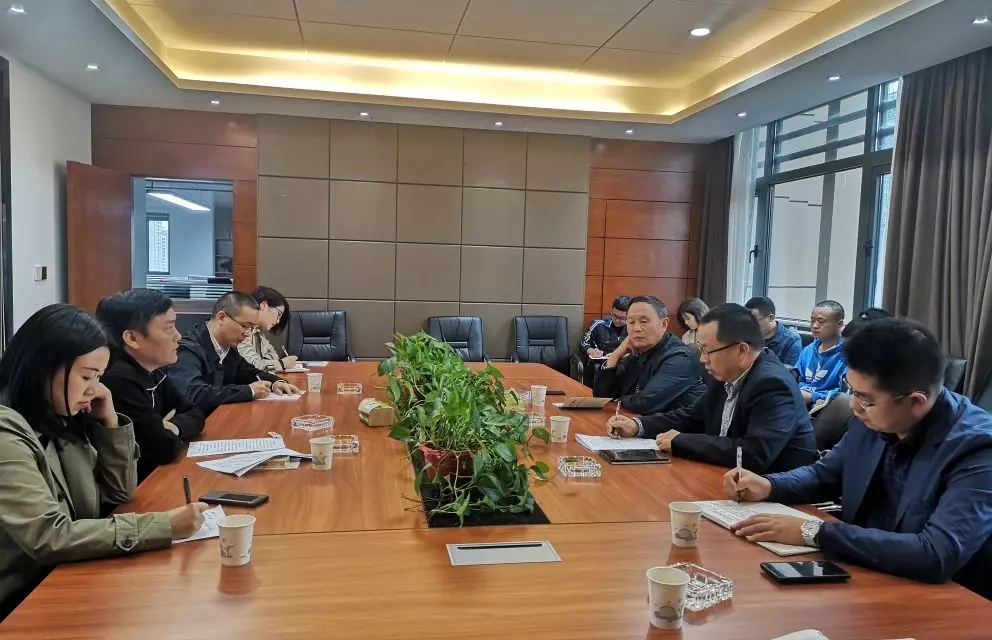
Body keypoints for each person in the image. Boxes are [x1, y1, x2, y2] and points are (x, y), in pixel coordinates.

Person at [725, 318, 992, 599]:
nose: (854, 405)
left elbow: (936, 553)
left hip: (939, 599)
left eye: (865, 399)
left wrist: (815, 532)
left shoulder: (977, 447)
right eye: (851, 391)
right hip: (862, 574)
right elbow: (825, 474)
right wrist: (769, 485)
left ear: (916, 402)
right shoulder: (876, 417)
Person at [0, 304, 208, 620]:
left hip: (61, 577)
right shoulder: (7, 432)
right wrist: (164, 526)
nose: (95, 389)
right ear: (43, 367)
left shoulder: (58, 416)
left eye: (99, 376)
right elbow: (49, 536)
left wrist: (111, 423)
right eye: (87, 376)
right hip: (19, 600)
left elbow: (118, 493)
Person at [608, 303, 818, 474]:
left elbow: (753, 454)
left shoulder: (772, 385)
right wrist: (638, 425)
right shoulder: (728, 373)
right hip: (725, 476)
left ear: (741, 350)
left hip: (775, 493)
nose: (702, 358)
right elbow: (693, 415)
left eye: (708, 350)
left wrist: (681, 441)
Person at [96, 289, 206, 482]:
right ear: (132, 338)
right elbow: (163, 449)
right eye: (169, 328)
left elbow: (196, 412)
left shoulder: (153, 369)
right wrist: (165, 431)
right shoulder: (118, 380)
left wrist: (173, 427)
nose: (178, 336)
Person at [168, 291, 299, 415]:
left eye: (251, 328)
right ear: (221, 318)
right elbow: (194, 394)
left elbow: (250, 372)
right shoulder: (187, 349)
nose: (248, 334)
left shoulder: (228, 348)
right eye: (245, 326)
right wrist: (249, 391)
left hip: (220, 417)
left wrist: (276, 382)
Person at [593, 296, 705, 415]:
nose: (636, 328)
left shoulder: (679, 357)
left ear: (663, 324)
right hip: (638, 421)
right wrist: (615, 355)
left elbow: (644, 403)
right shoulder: (637, 351)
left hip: (680, 426)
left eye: (644, 321)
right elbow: (601, 396)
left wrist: (614, 401)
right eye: (631, 322)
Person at [795, 300, 847, 407]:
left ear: (839, 324)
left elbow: (844, 394)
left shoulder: (847, 355)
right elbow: (795, 378)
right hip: (799, 401)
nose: (815, 326)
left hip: (826, 407)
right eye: (812, 321)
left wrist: (813, 396)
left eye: (821, 321)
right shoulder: (808, 350)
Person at [237, 286, 297, 372]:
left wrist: (276, 363)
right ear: (263, 305)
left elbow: (274, 357)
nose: (278, 321)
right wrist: (282, 364)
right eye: (279, 314)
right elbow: (251, 365)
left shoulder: (258, 332)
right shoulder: (243, 329)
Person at [746, 296, 802, 368]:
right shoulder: (746, 335)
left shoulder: (792, 340)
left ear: (770, 318)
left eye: (753, 321)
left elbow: (789, 373)